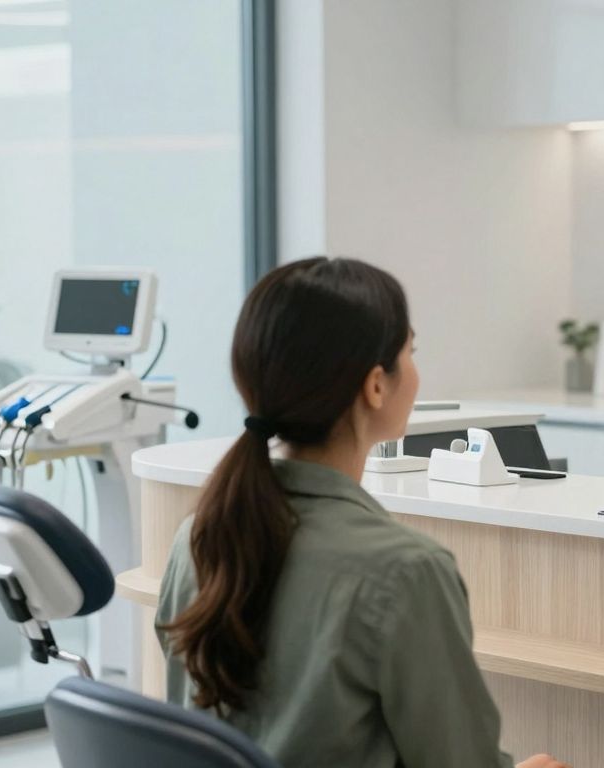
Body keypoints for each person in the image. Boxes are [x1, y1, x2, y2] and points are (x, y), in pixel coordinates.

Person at [155, 257, 565, 768]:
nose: (415, 370)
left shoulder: (198, 536)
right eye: (409, 352)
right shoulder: (406, 571)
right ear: (375, 386)